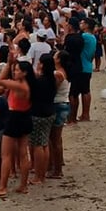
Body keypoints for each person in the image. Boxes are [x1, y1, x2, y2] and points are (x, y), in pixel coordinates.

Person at [0, 49, 32, 197]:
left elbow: (1, 80)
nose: (15, 72)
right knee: (23, 153)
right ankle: (23, 184)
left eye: (17, 70)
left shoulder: (20, 86)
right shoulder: (27, 84)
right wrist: (12, 63)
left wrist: (9, 64)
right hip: (25, 116)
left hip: (14, 117)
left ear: (24, 73)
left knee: (7, 154)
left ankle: (3, 187)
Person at [29, 53, 58, 184]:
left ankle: (38, 176)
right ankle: (43, 174)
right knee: (44, 143)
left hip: (39, 114)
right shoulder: (52, 79)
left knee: (37, 145)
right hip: (50, 112)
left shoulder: (40, 81)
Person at [49, 50, 73, 178]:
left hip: (58, 105)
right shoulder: (64, 72)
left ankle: (57, 170)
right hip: (63, 104)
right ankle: (59, 163)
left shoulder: (58, 74)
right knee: (57, 138)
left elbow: (53, 90)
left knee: (54, 139)